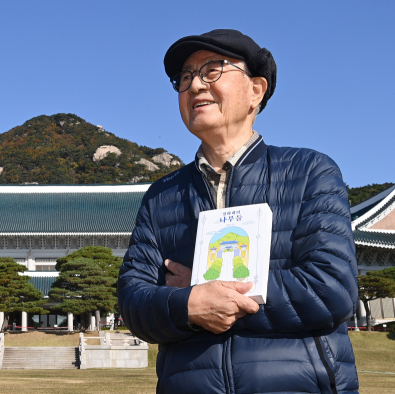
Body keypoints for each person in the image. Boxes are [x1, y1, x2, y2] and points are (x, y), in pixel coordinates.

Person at [117, 29, 359, 394]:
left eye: (212, 70)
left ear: (255, 91)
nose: (195, 85)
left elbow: (332, 288)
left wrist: (206, 295)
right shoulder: (161, 196)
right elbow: (133, 303)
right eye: (185, 77)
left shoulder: (310, 171)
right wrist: (189, 305)